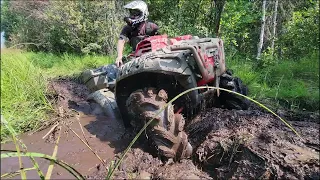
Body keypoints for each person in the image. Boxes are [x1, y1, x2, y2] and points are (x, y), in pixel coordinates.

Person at [115, 0, 160, 67]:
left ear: (142, 13)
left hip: (152, 56)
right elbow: (121, 40)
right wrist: (119, 56)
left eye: (135, 13)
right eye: (131, 12)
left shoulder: (151, 26)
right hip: (135, 56)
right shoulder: (128, 28)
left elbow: (163, 40)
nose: (132, 15)